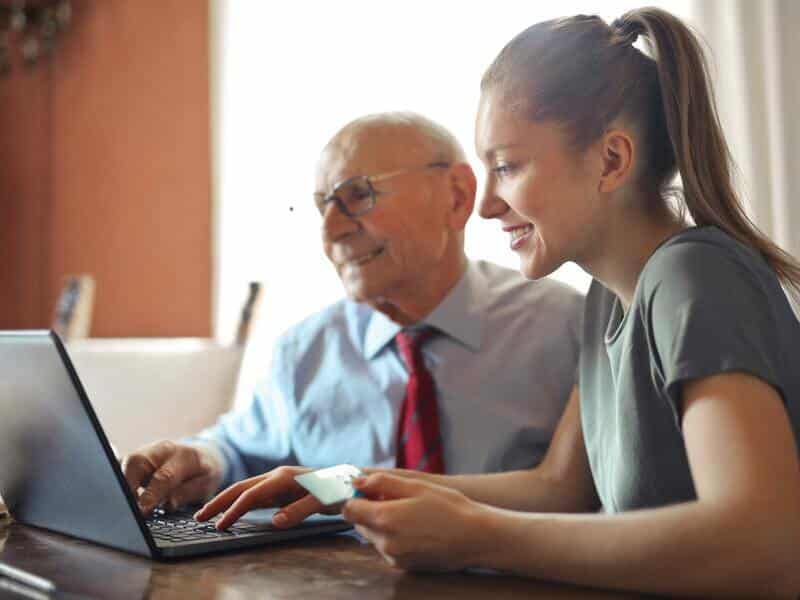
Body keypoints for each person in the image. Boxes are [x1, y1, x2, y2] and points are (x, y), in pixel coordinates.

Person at [195, 8, 800, 597]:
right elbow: (557, 488)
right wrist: (346, 484)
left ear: (612, 160)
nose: (485, 205)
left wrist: (480, 539)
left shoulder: (692, 277)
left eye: (507, 166)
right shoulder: (608, 300)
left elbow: (761, 543)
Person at [123, 112, 584, 517]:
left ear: (458, 196)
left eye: (357, 195)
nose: (331, 231)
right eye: (323, 206)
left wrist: (338, 486)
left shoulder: (566, 327)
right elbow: (240, 451)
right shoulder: (306, 349)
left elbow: (577, 496)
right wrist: (202, 460)